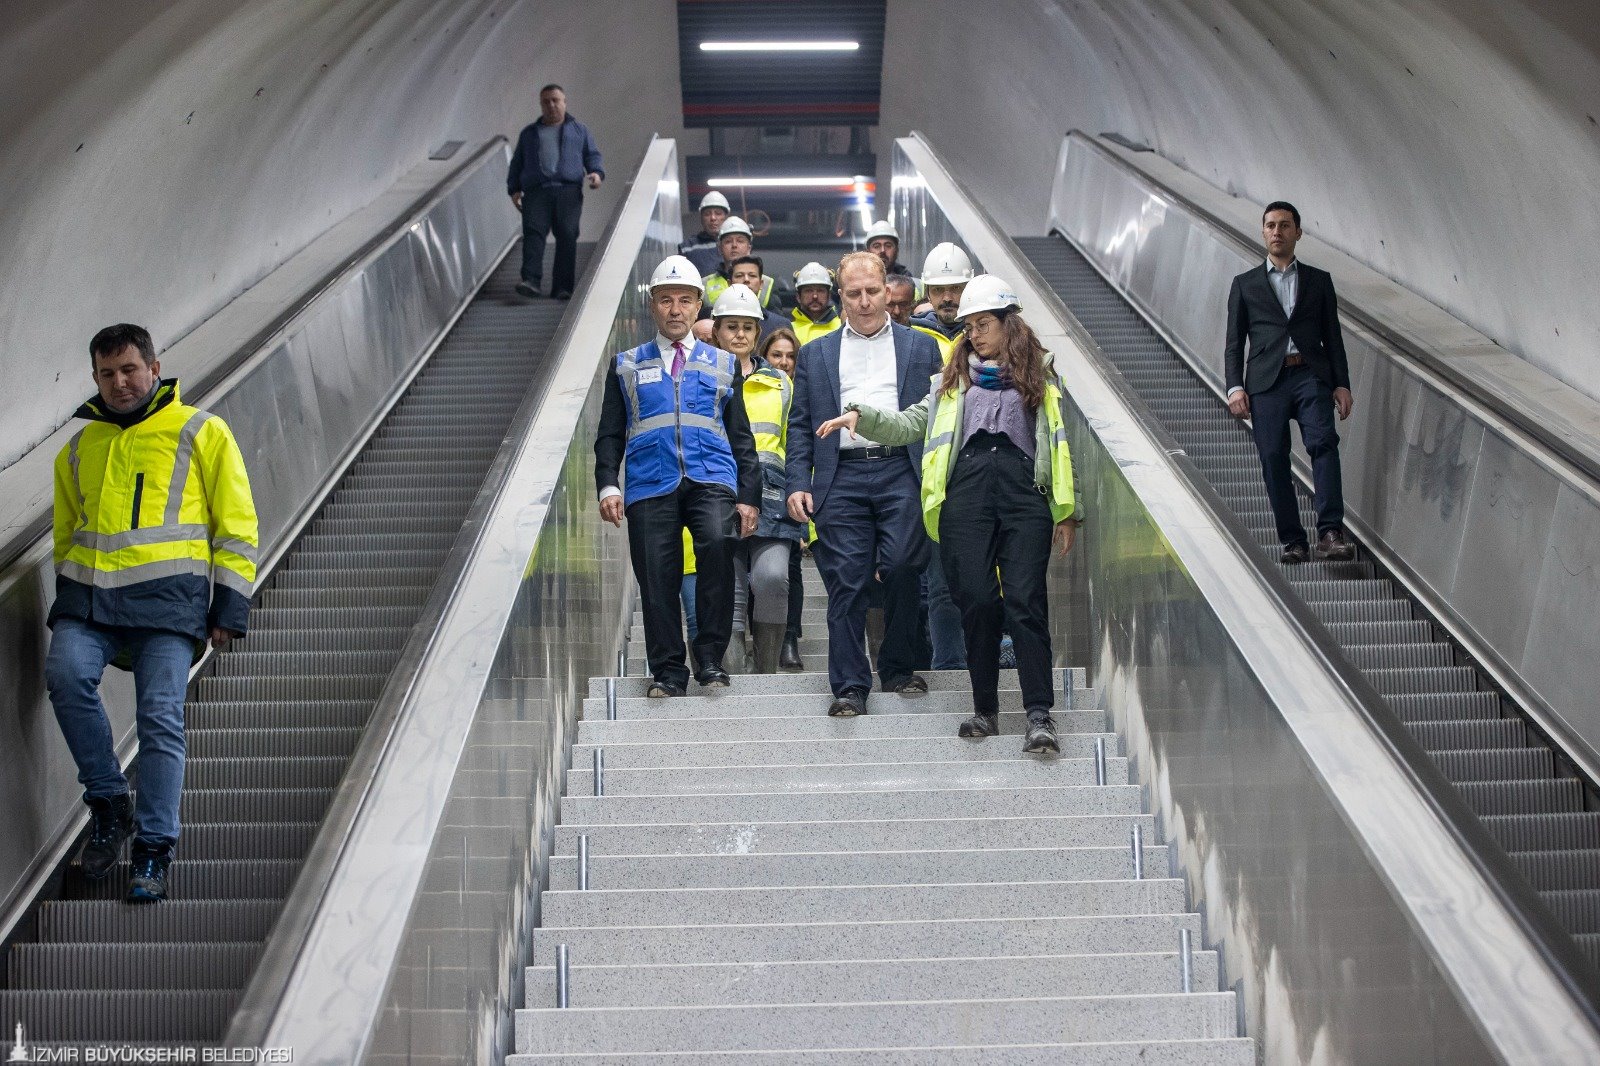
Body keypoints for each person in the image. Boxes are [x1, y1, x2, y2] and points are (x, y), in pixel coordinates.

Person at [816, 276, 1081, 754]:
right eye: (969, 326)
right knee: (976, 600)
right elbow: (910, 422)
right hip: (966, 498)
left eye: (984, 324)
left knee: (1025, 601)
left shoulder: (1041, 375)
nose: (975, 333)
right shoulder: (949, 381)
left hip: (1026, 496)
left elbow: (1060, 446)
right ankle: (985, 710)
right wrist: (863, 417)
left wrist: (1068, 511)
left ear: (1009, 325)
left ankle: (1039, 714)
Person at [46, 323, 259, 902]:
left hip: (168, 606)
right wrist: (70, 589)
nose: (119, 383)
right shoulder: (80, 446)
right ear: (94, 377)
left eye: (129, 370)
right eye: (107, 374)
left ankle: (154, 847)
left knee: (160, 717)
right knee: (64, 675)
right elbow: (66, 533)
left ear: (154, 366)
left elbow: (237, 526)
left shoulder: (200, 430)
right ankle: (110, 801)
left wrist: (228, 605)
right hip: (89, 603)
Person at [595, 256, 760, 696]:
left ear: (698, 305)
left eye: (684, 300)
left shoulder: (724, 364)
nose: (675, 310)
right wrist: (609, 483)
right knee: (656, 575)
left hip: (712, 476)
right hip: (651, 480)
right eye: (665, 300)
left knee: (718, 544)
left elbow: (741, 437)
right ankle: (668, 671)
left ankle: (709, 658)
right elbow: (609, 432)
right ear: (652, 305)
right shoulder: (626, 365)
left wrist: (749, 496)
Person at [786, 252, 942, 716]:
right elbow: (799, 425)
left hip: (901, 471)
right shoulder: (816, 353)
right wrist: (798, 480)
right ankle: (850, 685)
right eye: (854, 293)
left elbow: (935, 417)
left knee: (901, 568)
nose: (865, 301)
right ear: (841, 297)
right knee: (846, 582)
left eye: (873, 291)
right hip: (842, 477)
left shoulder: (921, 348)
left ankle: (897, 666)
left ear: (888, 290)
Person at [1225, 201, 1355, 564]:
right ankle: (1293, 540)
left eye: (1284, 225)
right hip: (1267, 383)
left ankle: (1330, 532)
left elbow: (1333, 337)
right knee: (1272, 457)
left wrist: (1341, 383)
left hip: (1310, 376)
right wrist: (1235, 387)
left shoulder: (1318, 281)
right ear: (1263, 232)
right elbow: (1234, 343)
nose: (1277, 232)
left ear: (1298, 232)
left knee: (1323, 442)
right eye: (1270, 226)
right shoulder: (1245, 285)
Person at [714, 298, 806, 673]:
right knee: (729, 588)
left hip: (772, 496)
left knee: (772, 577)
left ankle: (767, 673)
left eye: (747, 327)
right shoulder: (702, 375)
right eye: (731, 326)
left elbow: (796, 443)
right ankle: (738, 677)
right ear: (717, 330)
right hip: (718, 489)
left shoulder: (779, 381)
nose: (739, 334)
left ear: (757, 332)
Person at [508, 84, 604, 301]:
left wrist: (596, 174)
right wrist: (513, 189)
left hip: (568, 191)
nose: (551, 105)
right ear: (541, 104)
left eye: (555, 100)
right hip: (536, 192)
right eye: (546, 101)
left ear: (564, 102)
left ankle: (563, 286)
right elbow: (517, 163)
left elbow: (592, 155)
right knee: (533, 234)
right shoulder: (529, 134)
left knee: (567, 235)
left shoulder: (579, 130)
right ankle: (531, 281)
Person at [760, 329, 810, 672]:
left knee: (790, 569)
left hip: (790, 490)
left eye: (791, 356)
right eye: (777, 354)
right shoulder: (763, 390)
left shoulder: (801, 393)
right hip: (762, 488)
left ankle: (789, 639)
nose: (784, 362)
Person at [694, 256, 789, 344]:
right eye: (739, 275)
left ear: (761, 284)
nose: (746, 279)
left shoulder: (780, 324)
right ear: (729, 283)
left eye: (752, 275)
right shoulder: (711, 320)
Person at [702, 217, 784, 312]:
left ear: (749, 248)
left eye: (740, 241)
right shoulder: (704, 284)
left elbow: (777, 323)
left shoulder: (767, 284)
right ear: (720, 248)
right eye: (728, 241)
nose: (734, 245)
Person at [909, 242, 973, 364]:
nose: (947, 298)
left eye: (956, 288)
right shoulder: (912, 336)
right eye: (938, 289)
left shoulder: (984, 334)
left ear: (968, 289)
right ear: (928, 294)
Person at [864, 220, 923, 302]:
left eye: (888, 245)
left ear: (897, 250)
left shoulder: (913, 284)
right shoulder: (857, 283)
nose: (882, 250)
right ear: (868, 252)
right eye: (876, 246)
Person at [789, 262, 843, 345]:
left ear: (829, 296)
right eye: (808, 291)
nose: (815, 296)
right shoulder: (788, 329)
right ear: (798, 297)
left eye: (820, 290)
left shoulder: (842, 327)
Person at [680, 191, 731, 276]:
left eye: (718, 213)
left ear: (726, 217)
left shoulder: (735, 244)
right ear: (701, 218)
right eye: (707, 214)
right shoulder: (687, 247)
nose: (713, 218)